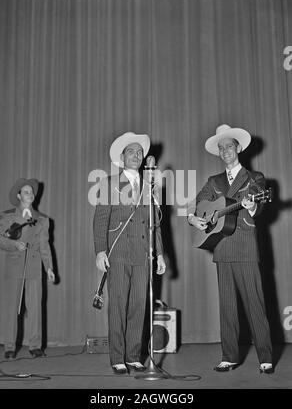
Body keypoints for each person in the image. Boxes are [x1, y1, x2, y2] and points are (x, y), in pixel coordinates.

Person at [187, 124, 273, 374]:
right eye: (221, 147)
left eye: (229, 146)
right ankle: (229, 356)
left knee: (254, 303)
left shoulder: (254, 178)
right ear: (218, 153)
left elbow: (259, 204)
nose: (225, 150)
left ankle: (265, 357)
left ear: (239, 148)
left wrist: (252, 205)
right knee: (227, 306)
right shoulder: (213, 181)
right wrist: (193, 219)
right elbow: (197, 206)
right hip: (222, 248)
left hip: (245, 246)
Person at [93, 132, 166, 374]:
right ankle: (117, 357)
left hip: (143, 254)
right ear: (122, 157)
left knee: (138, 305)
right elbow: (101, 220)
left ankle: (134, 355)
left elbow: (154, 223)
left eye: (139, 152)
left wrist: (161, 254)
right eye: (131, 152)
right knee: (118, 305)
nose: (136, 155)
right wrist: (100, 251)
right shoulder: (108, 183)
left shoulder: (151, 186)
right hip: (118, 251)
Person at [0, 178, 55, 359]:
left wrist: (49, 267)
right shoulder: (8, 216)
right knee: (11, 308)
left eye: (32, 192)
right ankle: (9, 347)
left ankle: (35, 346)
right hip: (14, 267)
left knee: (35, 308)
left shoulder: (42, 220)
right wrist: (13, 244)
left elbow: (45, 246)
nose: (30, 194)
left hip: (34, 268)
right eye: (26, 191)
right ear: (19, 195)